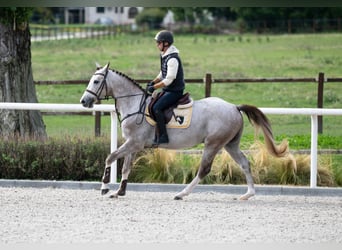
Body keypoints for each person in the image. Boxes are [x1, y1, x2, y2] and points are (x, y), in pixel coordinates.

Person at [147, 30, 185, 145]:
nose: (157, 45)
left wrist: (154, 87)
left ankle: (163, 136)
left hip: (175, 91)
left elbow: (169, 79)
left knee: (157, 108)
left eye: (158, 42)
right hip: (168, 90)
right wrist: (153, 82)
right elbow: (162, 73)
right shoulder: (165, 56)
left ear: (166, 44)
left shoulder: (173, 59)